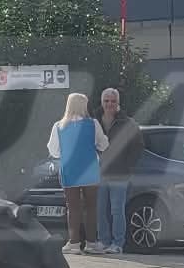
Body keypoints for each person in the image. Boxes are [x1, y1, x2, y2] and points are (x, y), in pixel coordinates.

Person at [48, 91, 107, 254]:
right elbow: (103, 144)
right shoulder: (93, 123)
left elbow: (54, 151)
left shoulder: (59, 126)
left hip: (70, 169)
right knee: (91, 207)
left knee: (72, 207)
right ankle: (91, 243)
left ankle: (73, 243)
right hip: (89, 170)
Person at [96, 87, 141, 255]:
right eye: (106, 101)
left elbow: (137, 148)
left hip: (119, 174)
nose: (109, 104)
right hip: (99, 173)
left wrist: (128, 167)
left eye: (113, 101)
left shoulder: (128, 123)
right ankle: (103, 241)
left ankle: (117, 243)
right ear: (102, 102)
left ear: (118, 103)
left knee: (116, 210)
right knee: (100, 210)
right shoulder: (94, 121)